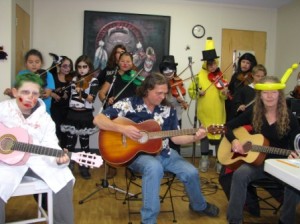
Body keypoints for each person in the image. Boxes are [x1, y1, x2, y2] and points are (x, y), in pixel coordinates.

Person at [94, 73, 219, 224]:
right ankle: (148, 221)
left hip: (165, 153)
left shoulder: (168, 109)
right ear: (147, 90)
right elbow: (98, 119)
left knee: (191, 172)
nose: (162, 96)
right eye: (158, 93)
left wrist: (195, 137)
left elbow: (175, 138)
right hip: (137, 156)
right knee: (154, 167)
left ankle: (199, 206)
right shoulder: (129, 103)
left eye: (165, 93)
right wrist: (123, 129)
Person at [0, 73, 74, 224]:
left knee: (64, 178)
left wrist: (59, 160)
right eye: (25, 92)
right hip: (6, 163)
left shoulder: (45, 118)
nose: (30, 97)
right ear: (15, 92)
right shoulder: (3, 110)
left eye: (34, 93)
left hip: (37, 160)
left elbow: (51, 144)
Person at [224, 76, 299, 224]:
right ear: (260, 95)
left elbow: (298, 142)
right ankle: (234, 220)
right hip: (258, 162)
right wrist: (234, 140)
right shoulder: (254, 112)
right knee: (240, 174)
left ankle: (286, 220)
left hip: (280, 163)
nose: (269, 96)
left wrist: (295, 154)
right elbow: (228, 126)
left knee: (294, 183)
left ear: (280, 94)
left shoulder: (289, 117)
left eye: (273, 92)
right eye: (265, 92)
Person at [98, 51, 141, 178]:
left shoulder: (136, 77)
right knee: (112, 139)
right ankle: (112, 166)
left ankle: (130, 167)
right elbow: (101, 93)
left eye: (128, 61)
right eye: (122, 61)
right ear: (118, 62)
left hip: (131, 112)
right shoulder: (113, 76)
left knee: (131, 140)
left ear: (132, 63)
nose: (125, 64)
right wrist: (106, 99)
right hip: (115, 112)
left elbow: (142, 93)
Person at [188, 37, 227, 173]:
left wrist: (224, 92)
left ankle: (219, 160)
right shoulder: (199, 76)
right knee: (204, 134)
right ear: (205, 64)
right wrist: (199, 93)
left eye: (214, 64)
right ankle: (204, 158)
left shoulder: (220, 76)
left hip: (218, 111)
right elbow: (191, 92)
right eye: (210, 64)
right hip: (204, 112)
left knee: (220, 135)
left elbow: (224, 96)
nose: (212, 67)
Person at [61, 55, 99, 179]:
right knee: (70, 143)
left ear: (89, 68)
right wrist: (65, 94)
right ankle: (68, 165)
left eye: (84, 67)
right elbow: (69, 95)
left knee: (84, 144)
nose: (82, 69)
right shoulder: (73, 79)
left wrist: (80, 92)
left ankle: (84, 166)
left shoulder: (93, 81)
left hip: (85, 115)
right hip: (72, 113)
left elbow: (91, 99)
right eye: (79, 67)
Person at [4, 49, 55, 114]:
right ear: (26, 63)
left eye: (37, 62)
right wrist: (11, 92)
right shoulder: (21, 74)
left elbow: (47, 94)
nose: (34, 64)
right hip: (24, 109)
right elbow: (17, 91)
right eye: (30, 62)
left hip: (41, 110)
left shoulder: (48, 74)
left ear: (41, 63)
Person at [159, 55, 188, 154]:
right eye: (166, 71)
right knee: (162, 141)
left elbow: (184, 100)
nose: (169, 74)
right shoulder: (158, 83)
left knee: (176, 141)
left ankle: (176, 161)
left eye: (171, 71)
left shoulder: (178, 81)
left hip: (176, 117)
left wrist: (181, 100)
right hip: (161, 118)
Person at [49, 54, 74, 148]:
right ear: (59, 66)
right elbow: (46, 90)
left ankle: (65, 154)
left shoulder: (72, 79)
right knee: (56, 132)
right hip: (55, 110)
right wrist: (52, 94)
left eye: (69, 66)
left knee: (66, 134)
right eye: (65, 66)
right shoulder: (52, 77)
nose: (68, 68)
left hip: (68, 110)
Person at [226, 52, 257, 121]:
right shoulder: (235, 75)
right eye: (243, 62)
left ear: (252, 65)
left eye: (248, 63)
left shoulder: (253, 77)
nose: (244, 65)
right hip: (233, 106)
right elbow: (230, 89)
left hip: (246, 107)